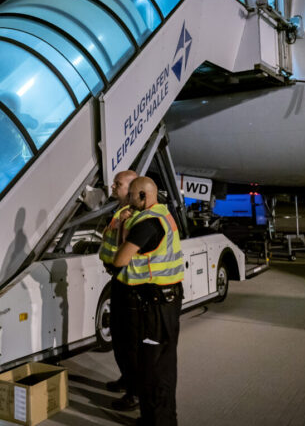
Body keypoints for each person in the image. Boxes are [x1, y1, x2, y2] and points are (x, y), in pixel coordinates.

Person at [113, 177, 184, 426]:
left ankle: (159, 422)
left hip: (157, 307)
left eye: (132, 195)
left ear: (144, 196)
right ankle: (155, 418)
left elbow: (120, 260)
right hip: (164, 302)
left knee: (155, 369)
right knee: (157, 365)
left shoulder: (146, 224)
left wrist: (123, 231)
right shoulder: (163, 214)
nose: (129, 200)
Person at [98, 170, 141, 411]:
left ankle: (135, 393)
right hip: (118, 280)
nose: (113, 187)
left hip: (130, 284)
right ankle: (127, 379)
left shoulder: (134, 215)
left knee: (130, 341)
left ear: (133, 188)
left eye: (119, 183)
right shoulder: (120, 211)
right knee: (119, 336)